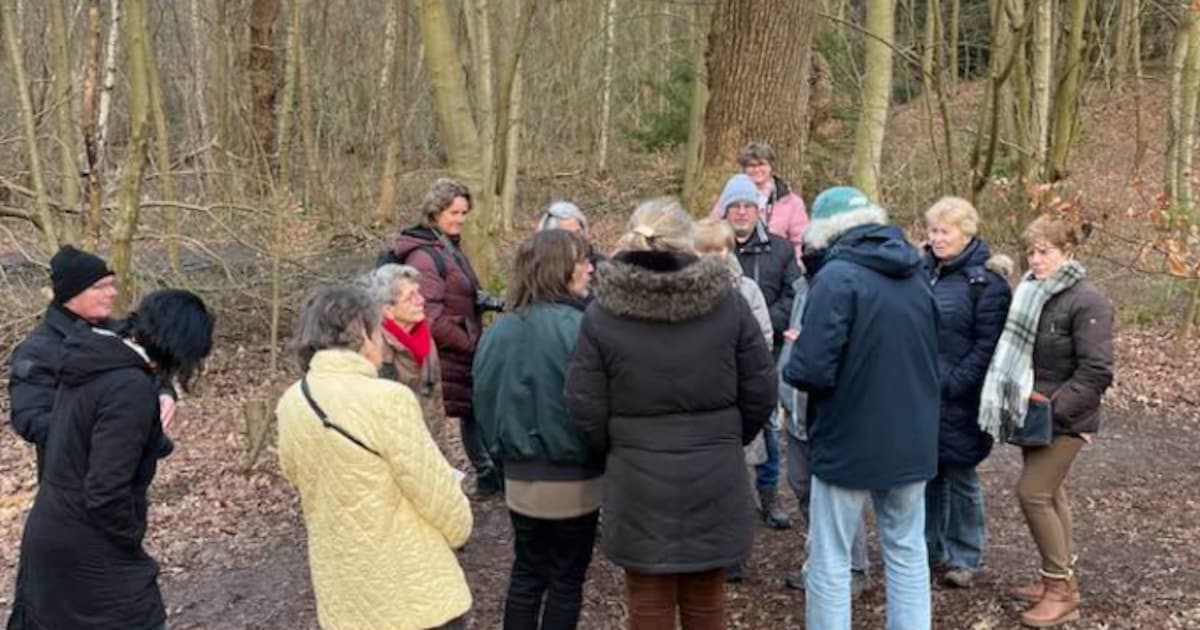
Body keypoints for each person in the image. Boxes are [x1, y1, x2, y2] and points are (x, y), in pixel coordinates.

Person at [566, 198, 777, 629]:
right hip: (714, 471)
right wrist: (724, 438)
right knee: (706, 606)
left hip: (637, 476)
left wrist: (620, 447)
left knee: (648, 608)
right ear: (688, 240)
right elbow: (760, 389)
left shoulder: (602, 313)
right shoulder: (728, 304)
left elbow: (585, 405)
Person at [7, 289, 215, 630]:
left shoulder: (96, 361)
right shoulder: (128, 386)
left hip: (52, 530)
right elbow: (106, 490)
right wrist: (129, 541)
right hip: (87, 543)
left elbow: (94, 440)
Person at [783, 186, 938, 629]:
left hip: (848, 437)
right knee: (908, 549)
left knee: (830, 555)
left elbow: (812, 370)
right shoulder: (917, 272)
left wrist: (795, 356)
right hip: (913, 435)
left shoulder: (837, 277)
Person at [276, 286, 473, 630]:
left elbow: (296, 475)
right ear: (361, 334)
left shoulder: (292, 402)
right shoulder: (387, 399)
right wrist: (461, 527)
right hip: (410, 589)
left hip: (343, 586)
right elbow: (433, 491)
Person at [978, 214, 1113, 628]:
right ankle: (1057, 575)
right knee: (1052, 494)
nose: (1035, 260)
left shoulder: (1088, 300)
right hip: (1034, 410)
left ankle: (1062, 591)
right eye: (1031, 251)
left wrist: (1051, 412)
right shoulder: (1034, 292)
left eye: (1045, 251)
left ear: (1068, 251)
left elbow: (1097, 371)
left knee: (1033, 493)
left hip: (1065, 417)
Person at [473, 229, 602, 630]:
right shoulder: (584, 329)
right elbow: (598, 403)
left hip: (520, 476)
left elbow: (484, 401)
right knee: (565, 579)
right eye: (582, 261)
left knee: (527, 574)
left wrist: (501, 456)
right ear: (561, 270)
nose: (591, 269)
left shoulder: (499, 331)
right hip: (575, 477)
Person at [8, 246, 176, 480]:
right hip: (71, 486)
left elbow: (153, 369)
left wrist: (165, 393)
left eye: (111, 284)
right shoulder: (38, 351)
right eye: (100, 287)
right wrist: (107, 426)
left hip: (128, 479)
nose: (112, 293)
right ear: (71, 295)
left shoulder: (121, 333)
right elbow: (30, 420)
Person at [922, 197, 1013, 589]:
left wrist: (952, 385)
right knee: (928, 474)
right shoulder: (919, 273)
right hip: (919, 392)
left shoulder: (986, 283)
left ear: (966, 233)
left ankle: (965, 555)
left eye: (945, 231)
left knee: (960, 474)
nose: (936, 238)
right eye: (932, 230)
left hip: (961, 395)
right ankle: (929, 549)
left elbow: (987, 345)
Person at [392, 178, 503, 497]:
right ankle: (475, 477)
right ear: (435, 211)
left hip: (461, 343)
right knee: (455, 413)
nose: (460, 219)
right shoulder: (425, 256)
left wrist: (481, 301)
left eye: (464, 212)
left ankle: (488, 475)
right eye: (454, 212)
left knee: (472, 408)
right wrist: (470, 344)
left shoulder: (447, 246)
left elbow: (458, 292)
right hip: (445, 351)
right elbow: (429, 315)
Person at [778, 261, 871, 599]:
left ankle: (855, 567)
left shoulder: (848, 287)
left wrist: (809, 345)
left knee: (840, 494)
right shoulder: (803, 287)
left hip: (832, 412)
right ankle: (820, 556)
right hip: (797, 406)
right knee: (801, 486)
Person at [717, 173, 800, 531]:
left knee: (766, 422)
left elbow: (793, 294)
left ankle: (768, 495)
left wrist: (761, 319)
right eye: (734, 206)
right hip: (720, 353)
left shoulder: (780, 249)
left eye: (747, 206)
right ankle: (728, 495)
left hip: (769, 348)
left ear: (758, 210)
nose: (741, 212)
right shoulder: (714, 246)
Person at [694, 218, 770, 583]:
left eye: (719, 249)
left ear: (730, 251)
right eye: (704, 250)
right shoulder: (683, 292)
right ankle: (704, 551)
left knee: (740, 483)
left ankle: (736, 555)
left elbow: (763, 340)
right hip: (699, 402)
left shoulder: (748, 290)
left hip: (737, 401)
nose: (712, 257)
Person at [368, 264, 447, 440]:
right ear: (388, 310)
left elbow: (435, 401)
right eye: (410, 297)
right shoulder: (374, 349)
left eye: (418, 293)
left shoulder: (424, 336)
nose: (421, 300)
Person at [709, 141, 810, 258]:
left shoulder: (792, 202)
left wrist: (794, 266)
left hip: (777, 265)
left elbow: (800, 242)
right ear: (744, 169)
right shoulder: (729, 198)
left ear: (770, 166)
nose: (757, 170)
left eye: (761, 164)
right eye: (752, 165)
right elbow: (713, 230)